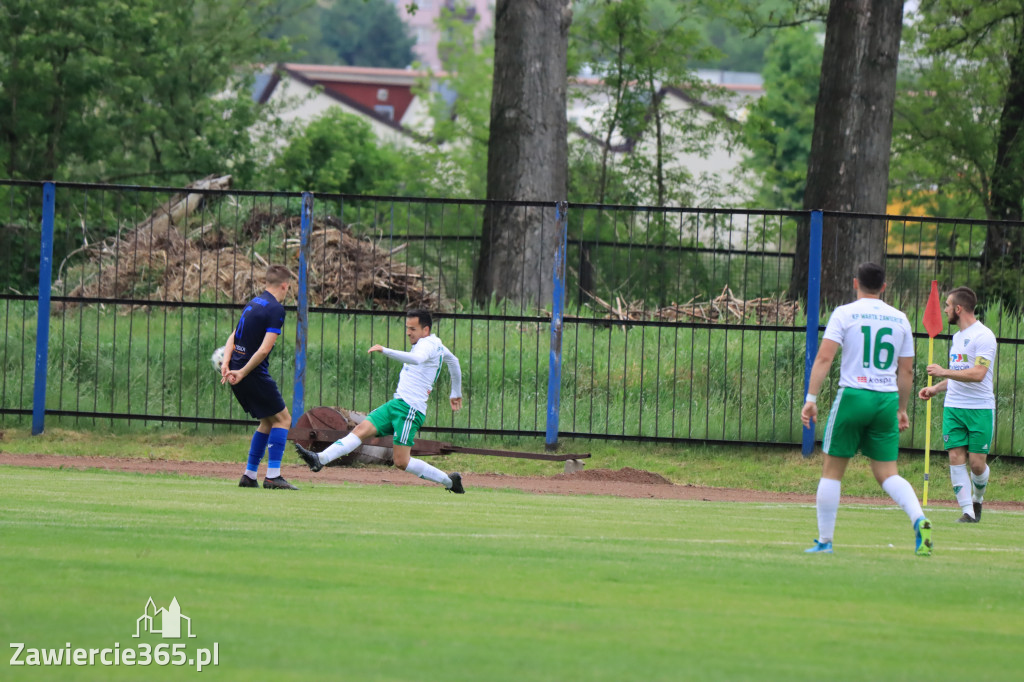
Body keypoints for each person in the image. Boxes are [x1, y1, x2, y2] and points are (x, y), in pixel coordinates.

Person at [801, 262, 932, 556]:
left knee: (832, 471)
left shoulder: (845, 313)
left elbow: (824, 358)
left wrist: (811, 398)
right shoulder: (900, 318)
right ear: (884, 287)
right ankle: (919, 519)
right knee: (888, 473)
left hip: (854, 395)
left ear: (855, 282)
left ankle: (825, 541)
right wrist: (901, 408)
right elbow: (907, 371)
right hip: (885, 400)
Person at [294, 309, 465, 493]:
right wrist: (455, 392)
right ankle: (320, 459)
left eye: (413, 329)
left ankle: (449, 482)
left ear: (426, 330)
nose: (408, 332)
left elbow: (417, 359)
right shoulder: (435, 344)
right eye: (407, 328)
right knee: (360, 430)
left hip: (410, 411)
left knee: (401, 461)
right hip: (397, 404)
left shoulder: (427, 345)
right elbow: (453, 361)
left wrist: (385, 350)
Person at [917, 286, 996, 523]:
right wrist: (936, 388)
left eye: (947, 305)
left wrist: (943, 371)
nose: (945, 310)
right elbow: (959, 374)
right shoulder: (957, 337)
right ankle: (967, 513)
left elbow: (978, 373)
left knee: (977, 465)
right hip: (953, 407)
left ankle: (977, 501)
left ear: (958, 309)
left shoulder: (984, 336)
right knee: (955, 457)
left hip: (980, 408)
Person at [221, 264, 298, 490]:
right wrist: (243, 373)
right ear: (284, 286)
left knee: (267, 421)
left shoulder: (253, 303)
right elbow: (264, 350)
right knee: (283, 419)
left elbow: (232, 337)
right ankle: (273, 476)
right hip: (250, 373)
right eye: (288, 289)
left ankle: (249, 475)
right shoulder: (276, 309)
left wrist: (226, 363)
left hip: (236, 369)